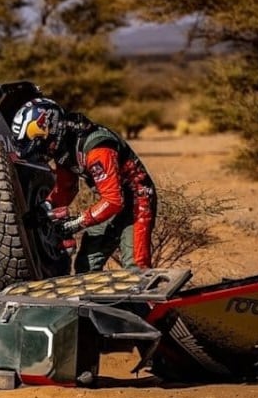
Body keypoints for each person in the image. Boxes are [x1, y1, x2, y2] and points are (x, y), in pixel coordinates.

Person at [12, 98, 158, 273]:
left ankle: (146, 300)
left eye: (41, 146)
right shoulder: (64, 147)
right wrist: (44, 208)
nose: (42, 153)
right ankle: (104, 300)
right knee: (85, 266)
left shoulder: (97, 149)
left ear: (51, 129)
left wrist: (76, 223)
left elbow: (113, 201)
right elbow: (66, 187)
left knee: (136, 268)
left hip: (137, 201)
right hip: (111, 203)